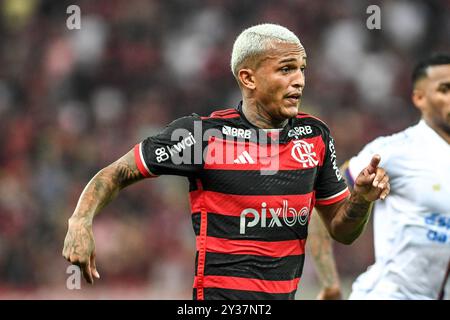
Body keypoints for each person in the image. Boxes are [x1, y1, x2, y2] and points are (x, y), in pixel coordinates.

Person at [62, 23, 390, 300]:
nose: (300, 80)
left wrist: (361, 198)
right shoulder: (202, 137)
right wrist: (80, 221)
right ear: (248, 78)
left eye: (302, 68)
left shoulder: (314, 137)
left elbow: (342, 231)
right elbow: (115, 173)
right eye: (286, 69)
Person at [310, 53, 450, 300]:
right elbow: (324, 207)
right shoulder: (395, 151)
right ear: (419, 98)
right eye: (445, 89)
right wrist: (330, 283)